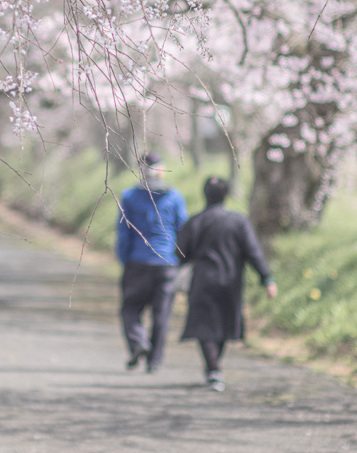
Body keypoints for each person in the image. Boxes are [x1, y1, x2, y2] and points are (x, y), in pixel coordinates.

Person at [177, 176, 277, 391]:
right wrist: (266, 278)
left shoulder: (195, 221)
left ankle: (212, 368)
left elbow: (180, 254)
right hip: (230, 281)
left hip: (202, 280)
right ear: (227, 195)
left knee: (204, 325)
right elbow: (253, 251)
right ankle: (214, 368)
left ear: (204, 194)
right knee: (223, 324)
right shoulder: (238, 221)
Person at [115, 152, 189, 373]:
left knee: (130, 309)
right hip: (167, 263)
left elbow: (123, 233)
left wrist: (124, 260)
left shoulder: (129, 196)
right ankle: (154, 362)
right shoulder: (175, 197)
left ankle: (138, 343)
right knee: (161, 315)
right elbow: (182, 231)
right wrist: (182, 260)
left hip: (137, 262)